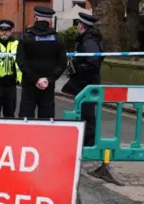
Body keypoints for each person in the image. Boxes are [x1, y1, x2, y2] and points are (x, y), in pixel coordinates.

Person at [16, 6, 67, 119]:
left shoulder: (26, 37)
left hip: (29, 85)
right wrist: (48, 80)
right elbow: (62, 64)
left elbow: (20, 62)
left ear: (36, 18)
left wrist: (35, 79)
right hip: (48, 86)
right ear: (50, 20)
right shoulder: (58, 39)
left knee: (26, 118)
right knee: (46, 119)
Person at [61, 12, 103, 146]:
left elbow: (93, 62)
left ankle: (89, 143)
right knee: (83, 114)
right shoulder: (86, 40)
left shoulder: (89, 41)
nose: (77, 26)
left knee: (88, 115)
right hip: (85, 85)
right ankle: (84, 141)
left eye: (78, 24)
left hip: (88, 85)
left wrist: (77, 69)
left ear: (82, 25)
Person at [0, 19, 22, 118]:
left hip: (10, 84)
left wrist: (20, 80)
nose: (4, 32)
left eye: (7, 30)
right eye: (1, 30)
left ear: (10, 31)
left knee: (10, 114)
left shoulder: (16, 43)